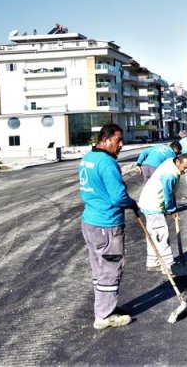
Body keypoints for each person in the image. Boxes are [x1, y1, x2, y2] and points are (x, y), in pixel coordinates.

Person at [79, 124, 138, 330]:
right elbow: (119, 197)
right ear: (105, 140)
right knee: (111, 268)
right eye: (118, 140)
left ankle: (104, 307)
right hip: (107, 224)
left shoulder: (89, 158)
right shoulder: (107, 163)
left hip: (90, 221)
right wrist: (131, 202)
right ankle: (104, 315)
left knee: (99, 268)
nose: (121, 145)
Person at [138, 153, 187, 274]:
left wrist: (172, 209)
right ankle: (169, 266)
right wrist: (172, 210)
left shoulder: (170, 161)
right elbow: (168, 195)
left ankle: (153, 262)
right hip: (154, 205)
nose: (185, 170)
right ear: (178, 162)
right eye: (184, 167)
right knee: (162, 235)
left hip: (147, 202)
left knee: (153, 233)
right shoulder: (170, 174)